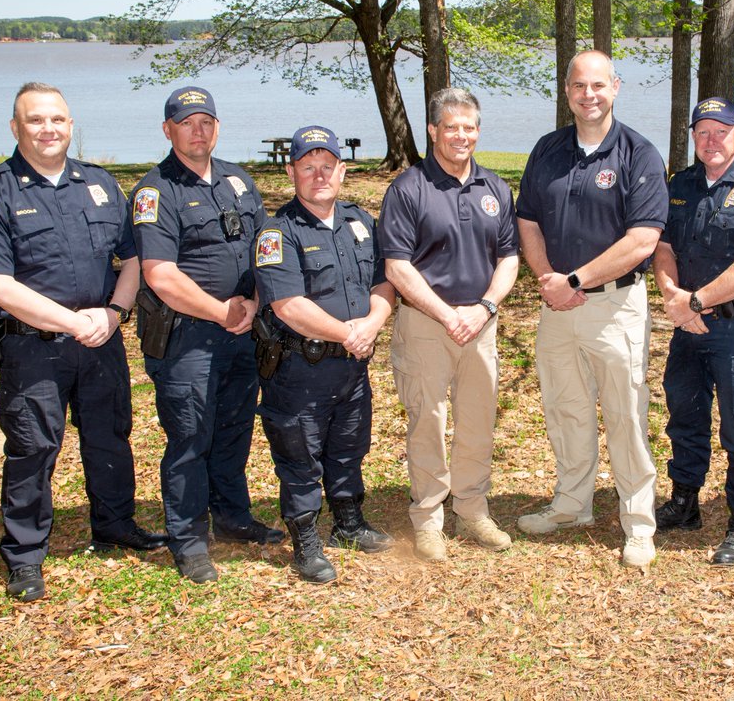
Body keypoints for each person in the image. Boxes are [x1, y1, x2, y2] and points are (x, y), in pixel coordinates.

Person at [0, 82, 166, 602]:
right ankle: (25, 555)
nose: (48, 129)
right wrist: (75, 323)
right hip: (33, 346)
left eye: (57, 120)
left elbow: (133, 259)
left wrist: (115, 313)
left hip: (102, 338)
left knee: (110, 434)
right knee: (33, 446)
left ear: (71, 126)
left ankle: (114, 524)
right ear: (15, 128)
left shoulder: (99, 185)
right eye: (36, 120)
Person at [515, 50, 668, 569]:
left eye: (598, 85)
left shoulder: (639, 154)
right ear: (567, 91)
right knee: (566, 408)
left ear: (616, 88)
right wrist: (546, 281)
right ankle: (572, 504)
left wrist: (576, 279)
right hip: (556, 305)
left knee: (625, 414)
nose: (589, 95)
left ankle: (638, 523)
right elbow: (528, 222)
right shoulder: (548, 150)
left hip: (615, 306)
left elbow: (643, 239)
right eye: (579, 86)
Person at [130, 86, 282, 585]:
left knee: (234, 428)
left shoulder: (238, 181)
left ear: (217, 127)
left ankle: (233, 517)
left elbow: (266, 250)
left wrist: (256, 303)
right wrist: (221, 311)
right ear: (167, 129)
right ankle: (188, 538)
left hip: (242, 331)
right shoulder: (156, 191)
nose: (198, 130)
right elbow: (160, 274)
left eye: (206, 121)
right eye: (187, 122)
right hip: (188, 337)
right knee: (190, 436)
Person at [378, 88, 519, 562]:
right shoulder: (407, 188)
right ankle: (430, 518)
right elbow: (397, 267)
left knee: (478, 421)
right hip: (425, 326)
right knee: (429, 423)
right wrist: (446, 313)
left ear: (478, 132)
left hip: (480, 323)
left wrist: (484, 307)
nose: (462, 135)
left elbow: (509, 258)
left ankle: (473, 509)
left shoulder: (495, 189)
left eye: (470, 127)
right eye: (451, 126)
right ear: (434, 131)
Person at [253, 126, 395, 583]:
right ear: (292, 171)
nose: (319, 175)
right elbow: (287, 305)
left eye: (327, 166)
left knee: (349, 446)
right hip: (301, 369)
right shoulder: (277, 232)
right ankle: (306, 540)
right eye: (308, 167)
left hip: (352, 366)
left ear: (342, 170)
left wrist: (372, 324)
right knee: (300, 454)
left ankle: (349, 523)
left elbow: (384, 281)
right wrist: (345, 334)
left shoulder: (361, 222)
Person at [652, 97, 734, 566]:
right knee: (684, 416)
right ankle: (685, 501)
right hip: (687, 326)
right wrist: (671, 293)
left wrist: (696, 300)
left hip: (733, 330)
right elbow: (661, 245)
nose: (711, 140)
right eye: (702, 132)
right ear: (693, 137)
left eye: (721, 131)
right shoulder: (680, 186)